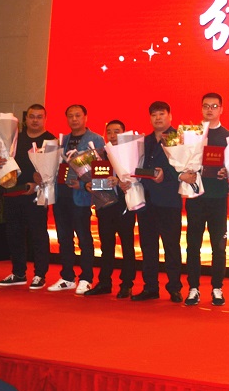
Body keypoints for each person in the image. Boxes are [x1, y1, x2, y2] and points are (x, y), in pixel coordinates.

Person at [0, 105, 54, 290]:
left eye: (39, 117)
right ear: (26, 119)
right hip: (13, 193)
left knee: (38, 235)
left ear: (45, 119)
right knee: (14, 234)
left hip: (37, 194)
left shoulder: (50, 140)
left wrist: (37, 184)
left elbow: (53, 171)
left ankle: (40, 274)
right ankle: (18, 273)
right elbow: (5, 162)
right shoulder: (14, 139)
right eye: (31, 116)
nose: (35, 120)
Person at [134, 101, 186, 302]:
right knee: (148, 246)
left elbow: (185, 168)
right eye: (154, 115)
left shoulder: (178, 139)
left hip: (169, 200)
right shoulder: (144, 141)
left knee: (171, 246)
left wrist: (167, 175)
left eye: (161, 114)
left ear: (170, 116)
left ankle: (174, 287)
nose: (158, 118)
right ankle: (150, 287)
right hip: (146, 201)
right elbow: (137, 166)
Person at [50, 105, 104, 295]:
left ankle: (86, 278)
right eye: (70, 116)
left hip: (81, 197)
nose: (74, 119)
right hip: (61, 196)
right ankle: (67, 276)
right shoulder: (62, 140)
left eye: (78, 115)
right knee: (64, 238)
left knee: (84, 238)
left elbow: (100, 171)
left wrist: (81, 185)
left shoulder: (96, 139)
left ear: (85, 117)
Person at [185, 92, 229, 307]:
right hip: (196, 197)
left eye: (214, 106)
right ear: (201, 108)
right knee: (193, 245)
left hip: (218, 198)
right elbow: (179, 161)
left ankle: (217, 288)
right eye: (206, 106)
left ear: (221, 109)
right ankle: (193, 288)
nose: (209, 110)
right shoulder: (191, 135)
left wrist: (228, 172)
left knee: (218, 246)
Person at [85, 119, 137, 298]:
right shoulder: (100, 155)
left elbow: (138, 177)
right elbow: (95, 179)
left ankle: (127, 284)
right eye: (109, 132)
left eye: (117, 131)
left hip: (125, 206)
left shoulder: (131, 154)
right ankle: (104, 282)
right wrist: (88, 185)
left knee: (127, 247)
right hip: (105, 207)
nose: (113, 135)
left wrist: (122, 181)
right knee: (106, 246)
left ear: (123, 133)